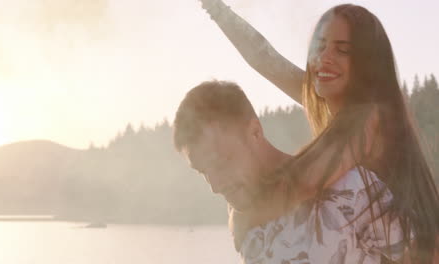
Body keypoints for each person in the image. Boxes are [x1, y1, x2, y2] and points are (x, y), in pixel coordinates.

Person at [196, 1, 439, 263]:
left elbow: (305, 181)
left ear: (367, 62)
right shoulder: (332, 100)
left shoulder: (369, 118)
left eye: (342, 50)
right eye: (320, 47)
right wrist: (216, 10)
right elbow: (265, 59)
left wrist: (246, 218)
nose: (325, 58)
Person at [174, 80, 408, 263]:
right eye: (204, 172)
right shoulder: (245, 224)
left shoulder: (347, 187)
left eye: (221, 163)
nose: (215, 186)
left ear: (255, 132)